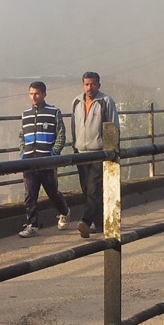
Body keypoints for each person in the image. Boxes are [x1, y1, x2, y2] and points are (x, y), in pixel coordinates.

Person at [17, 81, 71, 238]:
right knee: (30, 194)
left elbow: (61, 133)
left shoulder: (53, 112)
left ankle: (64, 211)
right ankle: (32, 225)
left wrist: (54, 153)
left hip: (46, 160)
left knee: (52, 192)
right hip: (29, 161)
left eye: (37, 93)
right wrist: (23, 152)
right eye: (31, 94)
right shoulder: (25, 114)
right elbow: (21, 135)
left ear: (44, 94)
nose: (34, 97)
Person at [70, 71, 119, 238]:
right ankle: (99, 223)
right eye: (86, 84)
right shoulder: (76, 102)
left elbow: (113, 126)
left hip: (99, 152)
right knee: (87, 190)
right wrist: (74, 147)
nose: (89, 87)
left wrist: (111, 150)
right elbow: (73, 126)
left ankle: (85, 221)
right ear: (82, 85)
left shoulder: (105, 102)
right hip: (81, 152)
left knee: (94, 188)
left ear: (99, 85)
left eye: (92, 84)